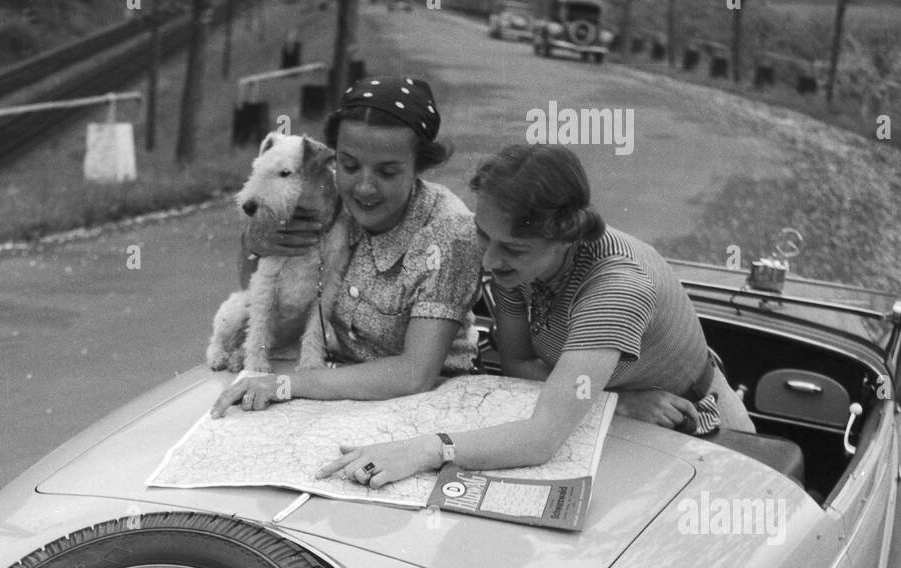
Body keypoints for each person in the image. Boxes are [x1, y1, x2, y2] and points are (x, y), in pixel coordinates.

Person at [316, 143, 754, 489]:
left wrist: (422, 450)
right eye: (484, 236)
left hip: (692, 428)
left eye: (512, 248)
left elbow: (541, 438)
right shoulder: (520, 265)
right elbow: (518, 367)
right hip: (622, 413)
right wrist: (614, 403)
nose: (489, 261)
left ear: (565, 236)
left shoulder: (615, 287)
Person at [209, 75, 483, 418]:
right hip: (336, 389)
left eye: (387, 172)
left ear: (420, 166)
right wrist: (253, 241)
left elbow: (416, 373)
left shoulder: (448, 231)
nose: (364, 188)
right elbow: (263, 288)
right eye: (350, 165)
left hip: (434, 403)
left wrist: (287, 384)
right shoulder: (324, 198)